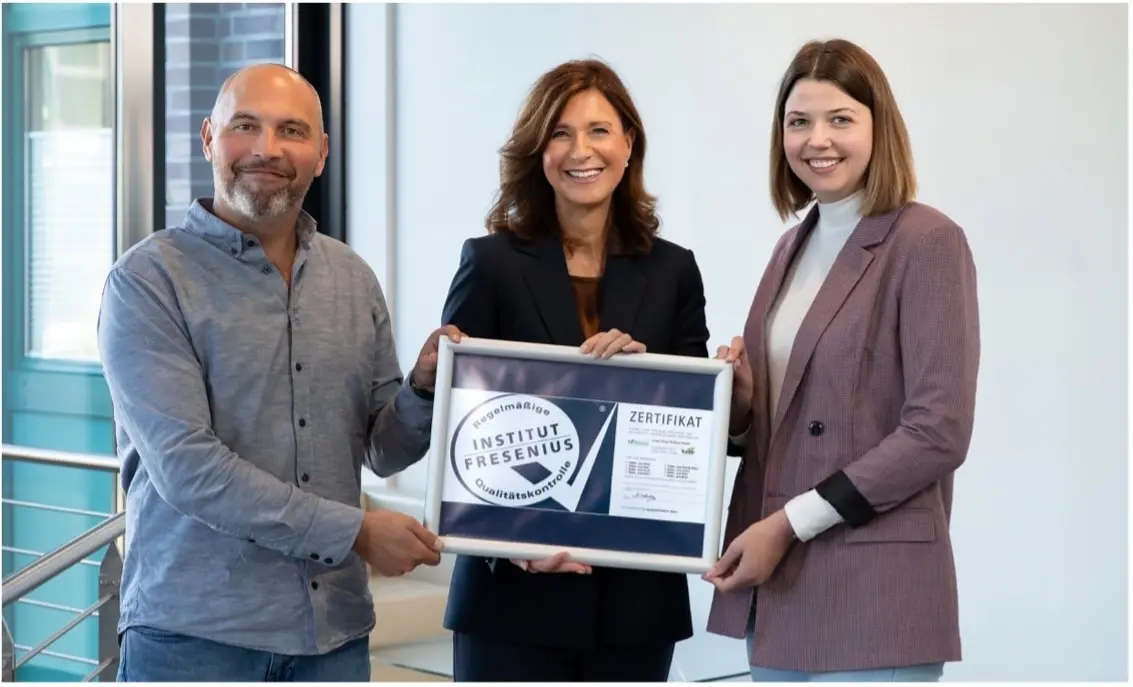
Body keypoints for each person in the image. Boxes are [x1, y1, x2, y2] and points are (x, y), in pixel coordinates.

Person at [97, 63, 462, 682]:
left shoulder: (352, 278)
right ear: (209, 138)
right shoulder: (147, 281)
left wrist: (424, 389)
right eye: (246, 126)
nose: (267, 148)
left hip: (334, 638)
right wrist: (355, 533)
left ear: (320, 154)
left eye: (292, 131)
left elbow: (382, 449)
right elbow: (188, 468)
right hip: (194, 641)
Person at [703, 39, 980, 682]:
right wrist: (744, 408)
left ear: (880, 128)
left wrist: (788, 525)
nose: (817, 140)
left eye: (840, 119)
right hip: (779, 589)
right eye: (798, 121)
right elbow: (790, 423)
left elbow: (938, 431)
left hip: (873, 589)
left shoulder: (928, 240)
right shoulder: (790, 248)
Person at [438, 58, 711, 682]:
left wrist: (650, 380)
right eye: (560, 133)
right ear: (538, 151)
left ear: (628, 144)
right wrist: (511, 547)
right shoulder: (490, 263)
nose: (580, 151)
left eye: (599, 130)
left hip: (636, 606)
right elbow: (460, 429)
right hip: (509, 601)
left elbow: (695, 430)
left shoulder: (674, 270)